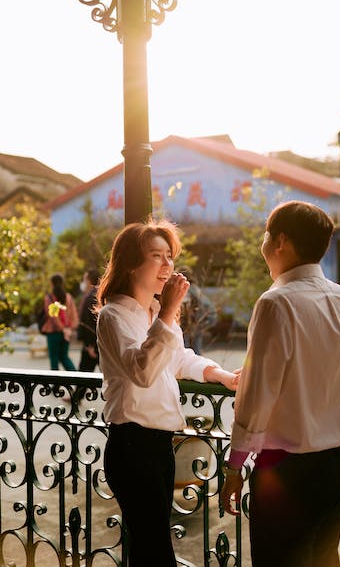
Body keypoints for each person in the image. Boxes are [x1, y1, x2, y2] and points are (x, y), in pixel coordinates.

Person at [221, 201, 340, 567]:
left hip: (287, 469)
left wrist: (235, 465)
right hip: (337, 461)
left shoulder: (276, 303)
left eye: (266, 235)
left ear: (280, 241)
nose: (263, 243)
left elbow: (255, 396)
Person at [96, 220, 240, 567]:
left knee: (149, 549)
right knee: (156, 551)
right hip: (132, 447)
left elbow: (178, 359)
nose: (166, 266)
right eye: (156, 256)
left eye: (169, 256)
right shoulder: (113, 317)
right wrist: (169, 311)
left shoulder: (155, 315)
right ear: (131, 263)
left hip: (159, 445)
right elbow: (142, 371)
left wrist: (219, 374)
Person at [41, 273, 78, 371]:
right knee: (64, 357)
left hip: (53, 333)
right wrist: (68, 329)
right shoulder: (68, 297)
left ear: (52, 284)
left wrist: (61, 328)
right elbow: (74, 315)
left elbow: (53, 316)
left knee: (54, 359)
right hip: (66, 333)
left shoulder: (49, 298)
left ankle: (55, 385)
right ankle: (77, 378)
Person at [179, 267, 217, 355]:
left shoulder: (188, 289)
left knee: (187, 352)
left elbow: (209, 310)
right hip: (195, 324)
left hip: (189, 325)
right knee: (195, 353)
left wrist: (199, 324)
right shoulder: (195, 289)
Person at [77, 268, 100, 373]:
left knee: (83, 380)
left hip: (92, 345)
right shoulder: (101, 294)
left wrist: (90, 345)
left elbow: (88, 323)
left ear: (89, 281)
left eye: (84, 279)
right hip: (100, 343)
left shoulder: (91, 297)